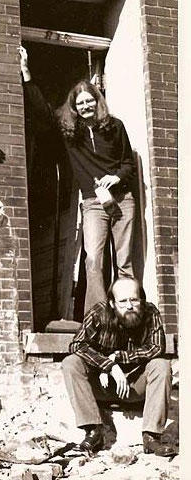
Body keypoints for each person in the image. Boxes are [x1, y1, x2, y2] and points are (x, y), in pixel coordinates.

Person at [19, 47, 137, 313]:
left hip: (122, 200)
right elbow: (43, 112)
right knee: (93, 258)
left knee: (124, 261)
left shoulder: (115, 127)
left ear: (98, 102)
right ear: (74, 107)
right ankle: (98, 316)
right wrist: (26, 74)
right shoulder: (71, 132)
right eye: (80, 103)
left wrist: (116, 177)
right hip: (94, 203)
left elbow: (128, 163)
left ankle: (128, 313)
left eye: (89, 101)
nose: (85, 107)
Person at [61, 277, 175, 457]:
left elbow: (156, 347)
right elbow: (77, 345)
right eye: (122, 301)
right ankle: (94, 430)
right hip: (103, 386)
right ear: (112, 303)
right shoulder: (98, 313)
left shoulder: (150, 312)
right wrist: (109, 365)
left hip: (135, 387)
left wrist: (120, 356)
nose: (129, 306)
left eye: (134, 300)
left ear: (141, 300)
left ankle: (151, 437)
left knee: (161, 365)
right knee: (71, 362)